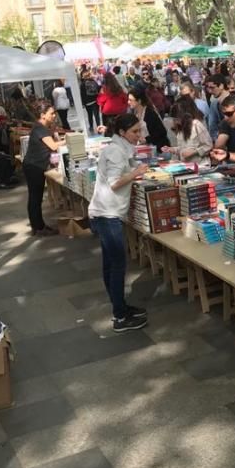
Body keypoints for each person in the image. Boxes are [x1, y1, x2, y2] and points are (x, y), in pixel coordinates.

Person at [87, 114, 150, 333]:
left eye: (139, 130)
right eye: (135, 131)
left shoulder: (119, 147)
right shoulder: (114, 150)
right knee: (117, 266)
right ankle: (120, 317)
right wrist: (135, 173)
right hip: (107, 214)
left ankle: (120, 306)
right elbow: (114, 183)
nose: (139, 135)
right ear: (122, 132)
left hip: (106, 212)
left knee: (111, 264)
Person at [22, 101, 63, 237]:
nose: (54, 116)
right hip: (34, 166)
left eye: (54, 113)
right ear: (42, 115)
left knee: (35, 197)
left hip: (34, 165)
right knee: (35, 197)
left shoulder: (41, 127)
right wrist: (68, 139)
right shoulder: (39, 128)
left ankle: (38, 226)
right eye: (51, 113)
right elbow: (53, 146)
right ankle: (38, 227)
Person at [164, 97, 212, 162]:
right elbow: (183, 148)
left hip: (200, 164)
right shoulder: (181, 128)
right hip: (186, 165)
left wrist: (194, 152)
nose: (176, 122)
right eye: (174, 119)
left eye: (177, 119)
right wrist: (172, 149)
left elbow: (208, 146)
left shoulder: (196, 125)